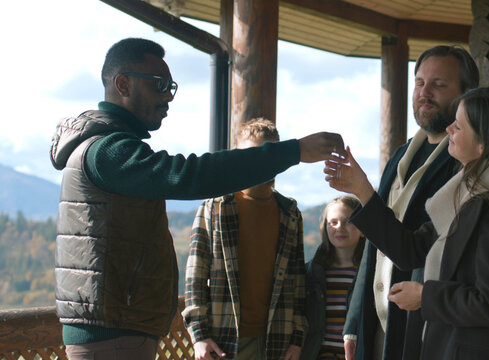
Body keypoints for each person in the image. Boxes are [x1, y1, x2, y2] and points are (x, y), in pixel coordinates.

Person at [49, 37, 345, 360]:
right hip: (113, 335)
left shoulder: (108, 148)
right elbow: (190, 176)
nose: (167, 97)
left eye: (171, 87)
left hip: (118, 329)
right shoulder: (107, 151)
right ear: (122, 84)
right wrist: (295, 151)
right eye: (159, 84)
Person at [326, 88, 489, 359]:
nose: (449, 128)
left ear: (484, 143)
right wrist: (362, 191)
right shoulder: (464, 198)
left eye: (459, 124)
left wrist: (424, 297)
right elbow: (409, 250)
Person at [342, 45, 478, 360]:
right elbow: (374, 246)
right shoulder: (401, 156)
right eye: (419, 82)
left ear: (466, 94)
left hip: (426, 332)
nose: (424, 93)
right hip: (376, 328)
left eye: (439, 85)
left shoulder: (464, 165)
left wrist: (362, 191)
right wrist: (354, 321)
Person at [183, 118, 307, 360]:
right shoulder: (214, 208)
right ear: (236, 156)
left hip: (278, 340)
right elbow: (195, 276)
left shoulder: (289, 212)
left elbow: (298, 281)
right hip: (223, 340)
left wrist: (297, 338)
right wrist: (199, 335)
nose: (257, 161)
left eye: (266, 153)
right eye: (249, 154)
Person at [301, 196, 366, 360]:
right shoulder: (312, 273)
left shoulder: (371, 273)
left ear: (363, 228)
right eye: (333, 222)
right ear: (324, 228)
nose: (340, 227)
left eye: (349, 221)